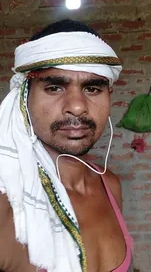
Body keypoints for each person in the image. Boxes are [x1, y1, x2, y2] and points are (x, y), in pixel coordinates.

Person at [0, 19, 133, 272]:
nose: (77, 105)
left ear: (109, 97)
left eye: (92, 88)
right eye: (54, 87)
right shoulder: (8, 205)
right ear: (24, 97)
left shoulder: (110, 187)